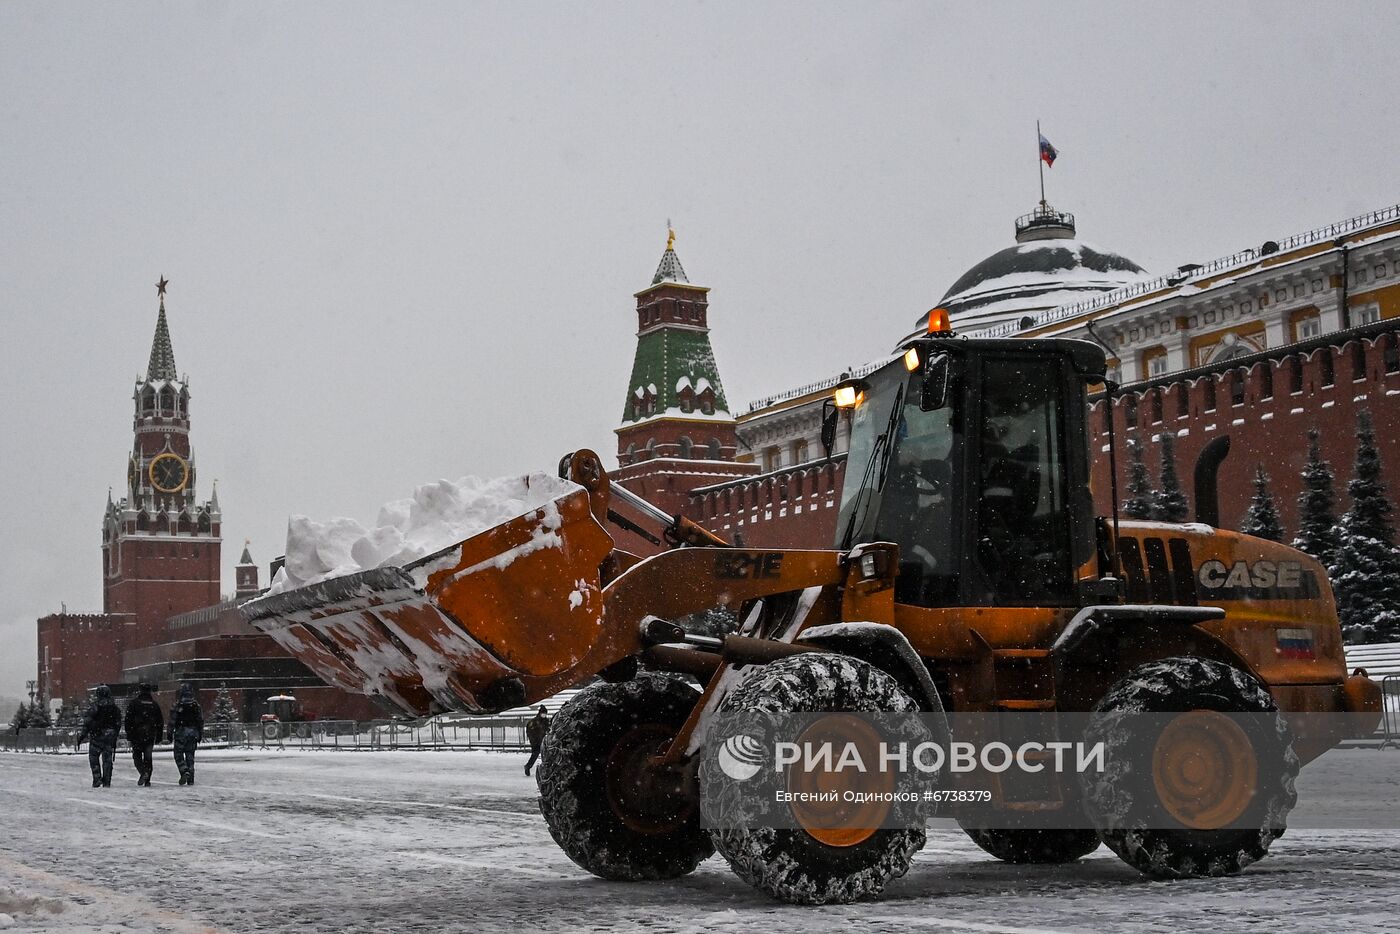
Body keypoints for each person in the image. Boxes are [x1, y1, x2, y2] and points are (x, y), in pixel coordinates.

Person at [78, 685, 121, 788]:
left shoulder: (94, 707)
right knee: (107, 759)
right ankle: (107, 780)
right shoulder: (114, 708)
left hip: (97, 736)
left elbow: (87, 722)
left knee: (94, 757)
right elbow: (118, 723)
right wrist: (115, 734)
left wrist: (82, 736)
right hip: (109, 736)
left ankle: (97, 778)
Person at [122, 683, 164, 786]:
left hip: (137, 734)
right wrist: (159, 735)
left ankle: (143, 772)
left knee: (137, 756)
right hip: (150, 734)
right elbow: (160, 721)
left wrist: (129, 733)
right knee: (148, 757)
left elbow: (128, 719)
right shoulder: (154, 704)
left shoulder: (134, 704)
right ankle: (147, 778)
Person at [167, 682, 204, 786]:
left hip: (180, 732)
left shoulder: (178, 705)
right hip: (193, 733)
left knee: (178, 754)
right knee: (190, 755)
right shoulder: (196, 706)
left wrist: (169, 734)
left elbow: (172, 721)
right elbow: (200, 720)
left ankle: (184, 771)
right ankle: (191, 777)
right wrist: (200, 733)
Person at [524, 706, 550, 776]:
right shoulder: (534, 722)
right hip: (536, 742)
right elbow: (530, 732)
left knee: (546, 756)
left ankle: (546, 770)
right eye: (543, 713)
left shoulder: (547, 721)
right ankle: (528, 766)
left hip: (544, 741)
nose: (544, 715)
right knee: (535, 755)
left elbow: (549, 730)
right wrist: (533, 741)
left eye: (545, 713)